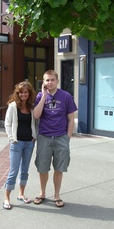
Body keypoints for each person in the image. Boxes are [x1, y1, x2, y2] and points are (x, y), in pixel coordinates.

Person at [33, 70, 77, 208]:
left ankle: (57, 195)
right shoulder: (40, 96)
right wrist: (43, 96)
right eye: (47, 80)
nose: (49, 82)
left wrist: (67, 138)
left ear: (57, 81)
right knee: (42, 167)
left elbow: (71, 119)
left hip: (61, 137)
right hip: (44, 137)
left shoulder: (66, 96)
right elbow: (36, 115)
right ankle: (42, 193)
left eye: (52, 80)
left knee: (59, 167)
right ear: (43, 82)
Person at [3, 81, 37, 210]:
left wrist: (34, 137)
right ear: (18, 93)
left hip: (29, 143)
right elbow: (7, 124)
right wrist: (12, 139)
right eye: (21, 92)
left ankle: (21, 194)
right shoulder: (12, 106)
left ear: (29, 93)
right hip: (17, 143)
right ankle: (6, 197)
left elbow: (34, 123)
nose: (24, 94)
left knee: (25, 171)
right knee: (13, 171)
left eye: (26, 92)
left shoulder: (31, 107)